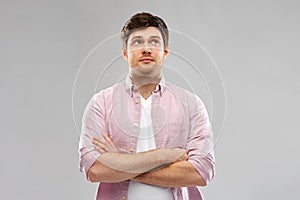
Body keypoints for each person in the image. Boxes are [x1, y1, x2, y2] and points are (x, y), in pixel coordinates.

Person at [78, 12, 215, 200]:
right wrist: (166, 156)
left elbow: (200, 172)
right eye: (137, 42)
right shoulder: (100, 103)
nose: (146, 49)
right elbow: (95, 169)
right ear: (125, 53)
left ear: (165, 52)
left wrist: (119, 162)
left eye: (154, 42)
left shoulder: (191, 104)